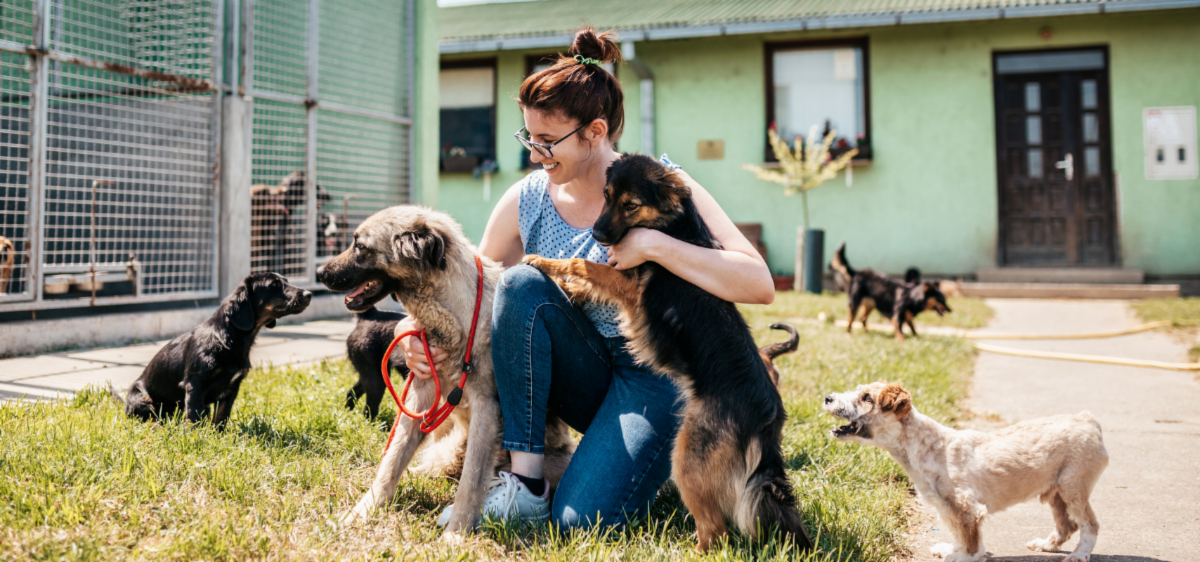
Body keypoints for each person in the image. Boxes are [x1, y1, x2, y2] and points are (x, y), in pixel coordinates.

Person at [392, 27, 775, 530]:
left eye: (548, 141)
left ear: (595, 132)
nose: (534, 152)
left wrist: (654, 244)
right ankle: (526, 483)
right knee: (520, 284)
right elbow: (474, 294)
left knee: (581, 521)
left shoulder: (659, 183)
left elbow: (758, 282)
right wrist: (408, 334)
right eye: (528, 137)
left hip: (654, 378)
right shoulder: (527, 198)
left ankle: (634, 458)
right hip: (579, 372)